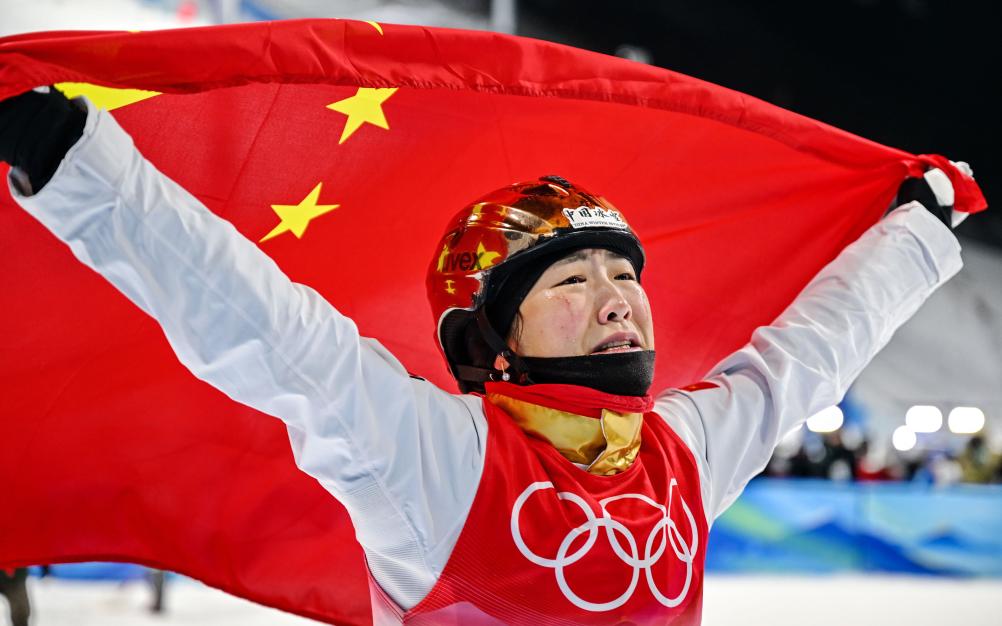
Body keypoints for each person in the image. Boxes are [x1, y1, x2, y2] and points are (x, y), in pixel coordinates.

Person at [0, 86, 971, 624]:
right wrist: (81, 164)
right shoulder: (439, 454)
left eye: (622, 271)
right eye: (570, 280)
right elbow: (260, 325)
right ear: (489, 340)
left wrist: (915, 233)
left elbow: (813, 351)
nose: (616, 296)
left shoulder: (682, 449)